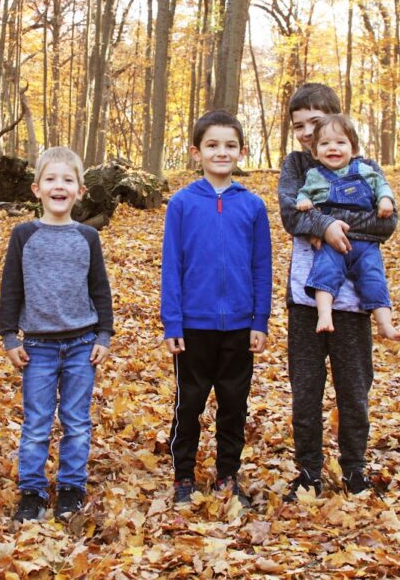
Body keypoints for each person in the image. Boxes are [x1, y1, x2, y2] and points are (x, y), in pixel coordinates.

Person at [277, 83, 396, 498]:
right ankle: (308, 473)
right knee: (305, 391)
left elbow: (386, 224)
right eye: (300, 126)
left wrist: (327, 223)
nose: (309, 133)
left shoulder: (365, 168)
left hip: (354, 301)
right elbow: (291, 215)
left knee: (354, 390)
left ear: (337, 121)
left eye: (316, 122)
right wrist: (326, 226)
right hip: (306, 299)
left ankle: (355, 471)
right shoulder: (295, 167)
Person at [161, 110, 272, 508]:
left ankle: (228, 475)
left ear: (242, 151)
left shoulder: (253, 206)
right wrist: (172, 321)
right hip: (193, 325)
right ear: (197, 152)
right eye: (212, 145)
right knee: (189, 404)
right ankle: (183, 477)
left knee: (233, 406)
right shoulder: (183, 204)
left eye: (229, 146)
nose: (221, 152)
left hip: (240, 327)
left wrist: (259, 320)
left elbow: (262, 267)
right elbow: (172, 266)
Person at [0, 146, 114, 522]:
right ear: (36, 189)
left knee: (77, 421)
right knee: (36, 422)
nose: (59, 186)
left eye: (67, 180)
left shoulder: (87, 237)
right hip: (38, 347)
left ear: (80, 190)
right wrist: (9, 338)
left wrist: (104, 336)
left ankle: (70, 488)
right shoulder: (23, 234)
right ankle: (31, 491)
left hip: (82, 344)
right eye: (51, 179)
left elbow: (100, 289)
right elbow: (11, 288)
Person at [295, 114, 400, 341]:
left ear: (353, 149)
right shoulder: (314, 175)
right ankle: (324, 315)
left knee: (373, 277)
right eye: (324, 144)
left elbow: (381, 186)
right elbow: (304, 194)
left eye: (340, 143)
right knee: (325, 271)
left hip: (365, 245)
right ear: (315, 152)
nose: (332, 148)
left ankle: (385, 323)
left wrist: (385, 201)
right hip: (332, 243)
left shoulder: (364, 170)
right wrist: (304, 202)